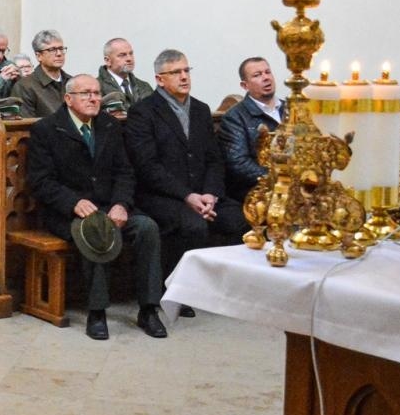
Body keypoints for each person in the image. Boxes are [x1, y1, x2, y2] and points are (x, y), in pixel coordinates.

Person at [26, 73, 166, 339]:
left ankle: (149, 308)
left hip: (109, 205)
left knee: (147, 227)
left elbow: (125, 172)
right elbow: (41, 181)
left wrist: (121, 204)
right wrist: (73, 202)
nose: (93, 98)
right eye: (86, 93)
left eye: (97, 93)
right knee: (95, 231)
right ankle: (97, 311)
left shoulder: (109, 125)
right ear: (68, 99)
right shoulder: (47, 129)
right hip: (67, 211)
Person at [125, 49, 249, 285]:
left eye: (186, 70)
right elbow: (147, 166)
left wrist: (210, 194)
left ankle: (225, 286)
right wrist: (187, 196)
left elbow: (214, 159)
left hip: (203, 195)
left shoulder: (201, 110)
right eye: (175, 72)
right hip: (163, 196)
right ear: (160, 79)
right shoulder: (143, 112)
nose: (184, 77)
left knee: (239, 218)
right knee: (193, 225)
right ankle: (180, 289)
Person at [220, 56, 287, 202]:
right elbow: (239, 163)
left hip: (294, 186)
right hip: (257, 192)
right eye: (257, 75)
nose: (266, 78)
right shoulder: (235, 117)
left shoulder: (290, 108)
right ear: (245, 85)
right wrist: (281, 177)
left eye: (267, 72)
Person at [10, 29, 73, 119]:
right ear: (39, 56)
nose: (59, 54)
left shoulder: (72, 83)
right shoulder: (25, 87)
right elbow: (26, 123)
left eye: (61, 49)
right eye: (52, 50)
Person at [97, 38, 153, 112]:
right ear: (108, 61)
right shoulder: (96, 88)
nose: (129, 59)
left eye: (131, 53)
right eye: (122, 55)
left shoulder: (144, 87)